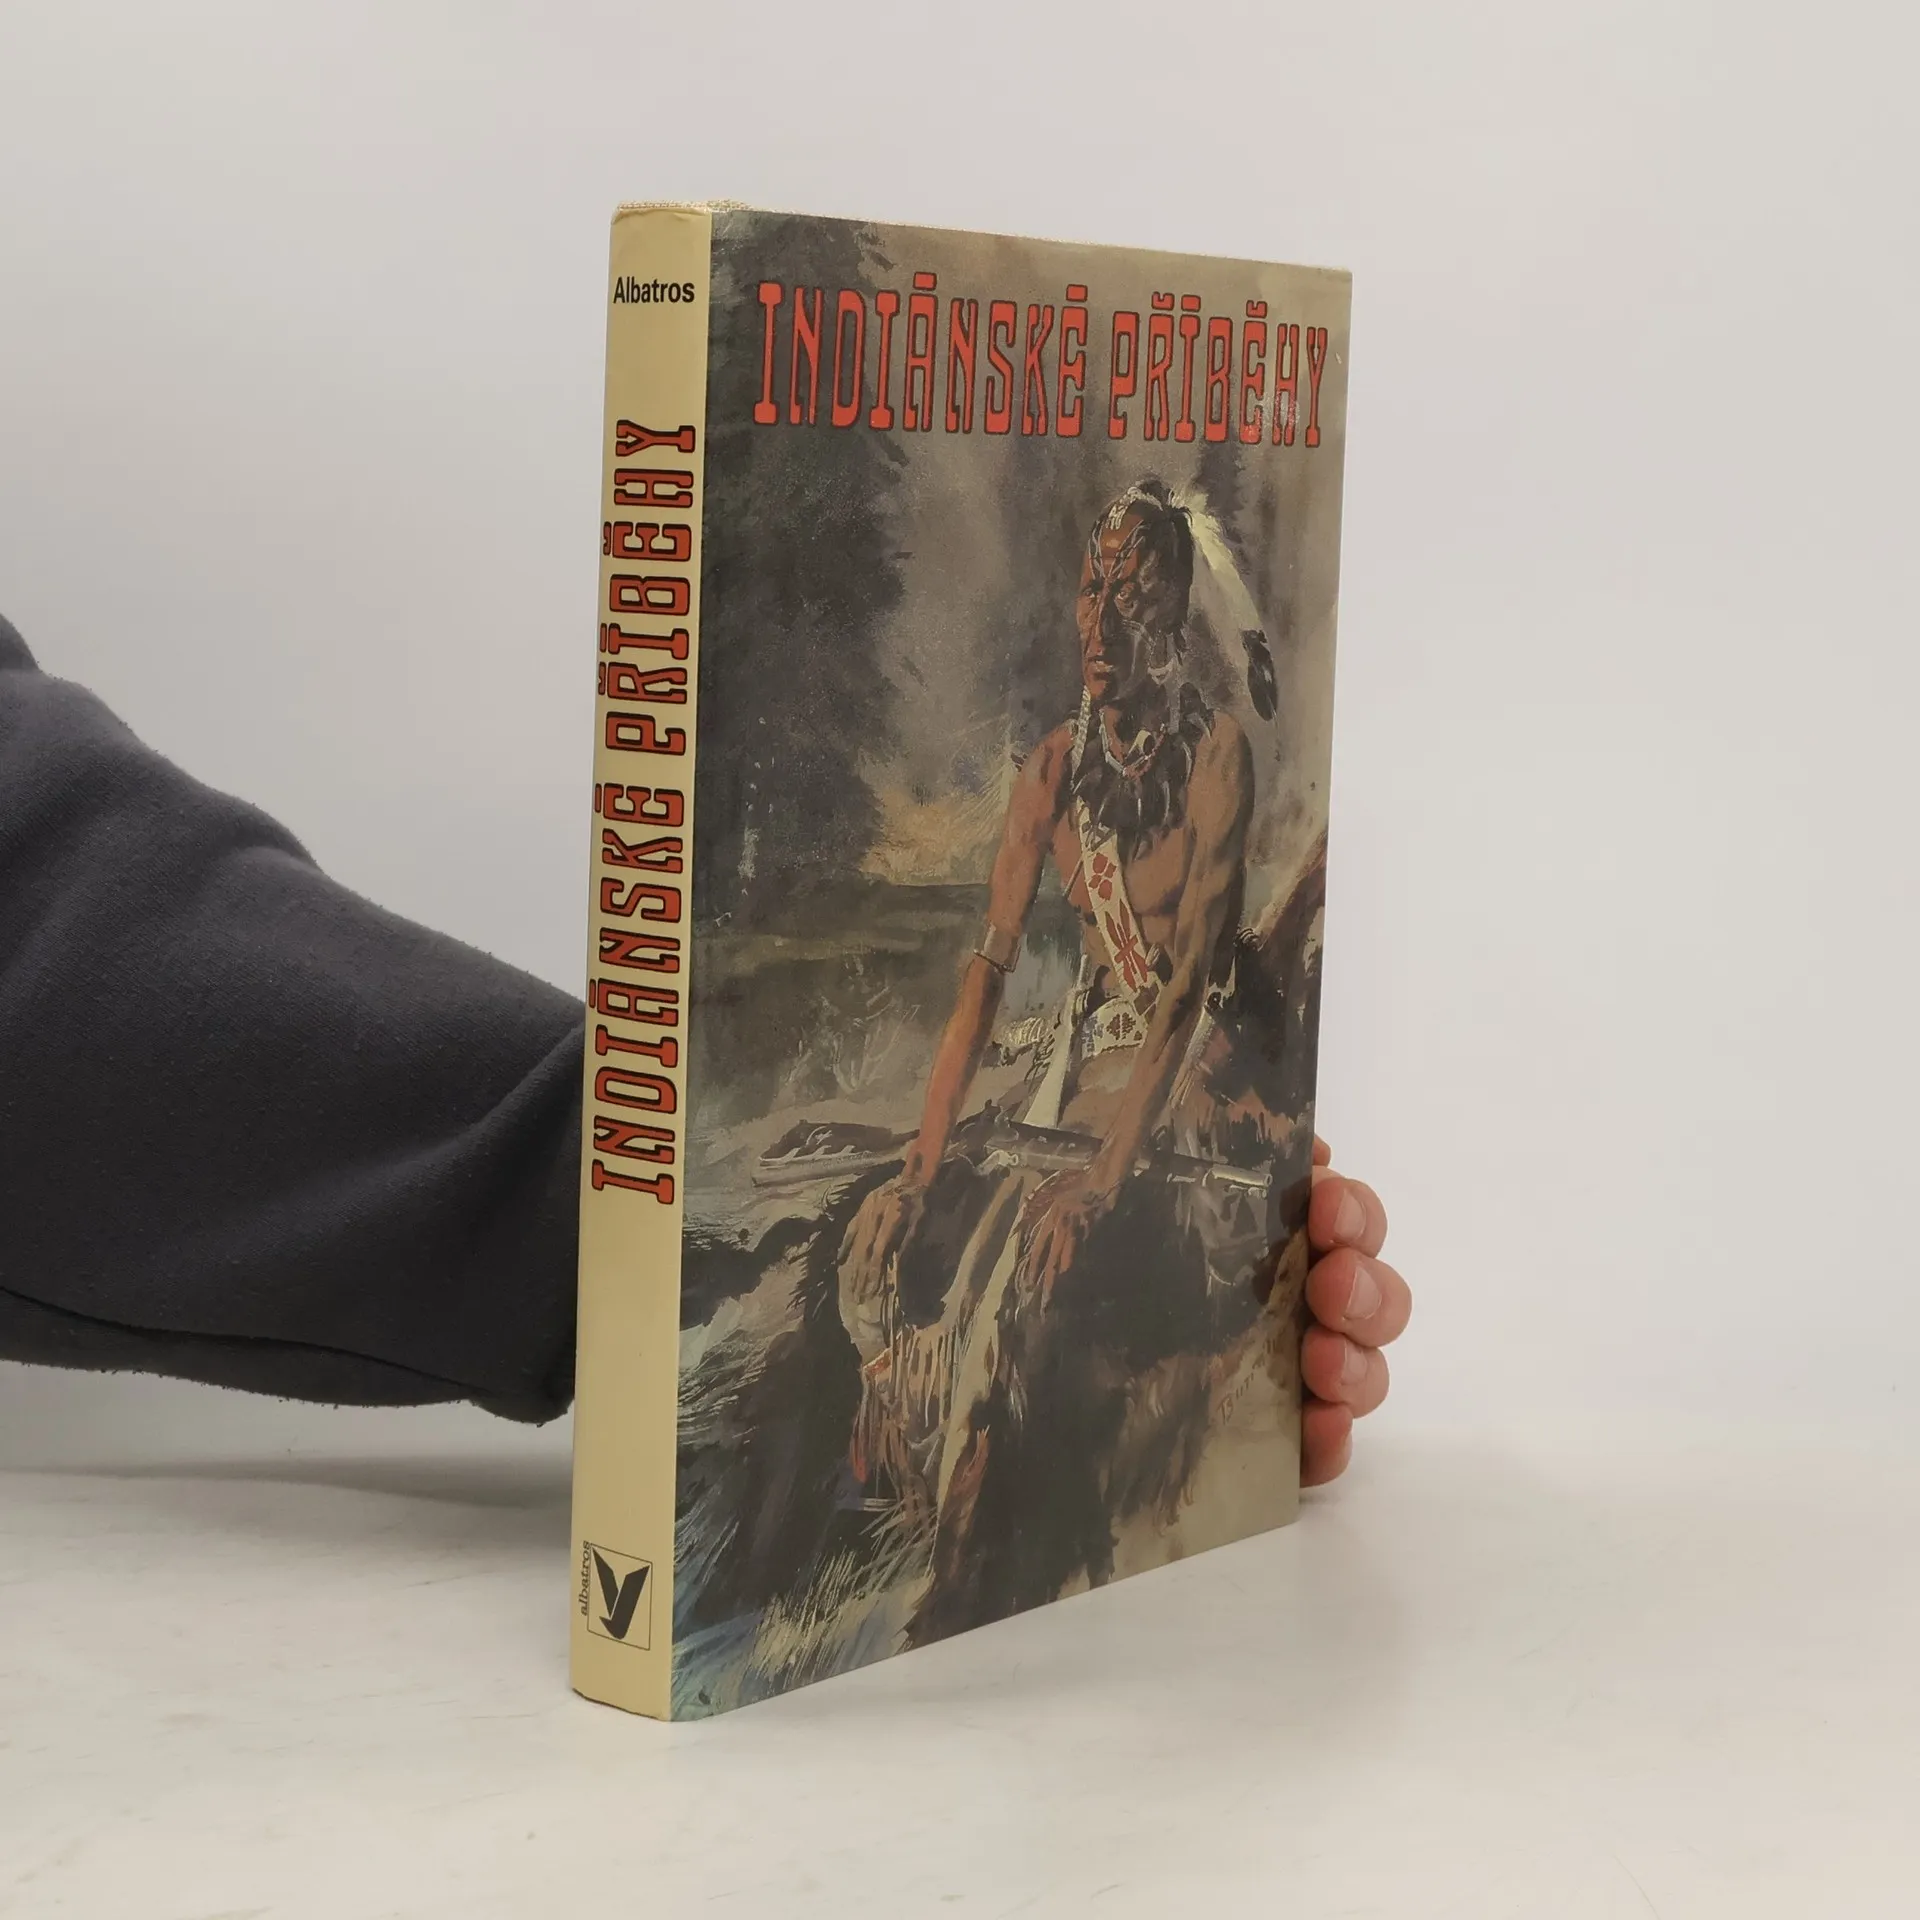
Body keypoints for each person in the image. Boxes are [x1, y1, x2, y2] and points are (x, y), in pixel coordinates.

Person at [0, 608, 1410, 1487]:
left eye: (1132, 602)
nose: (1103, 631)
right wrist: (651, 1191)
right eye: (1093, 598)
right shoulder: (1054, 771)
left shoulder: (1212, 766)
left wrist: (618, 1187)